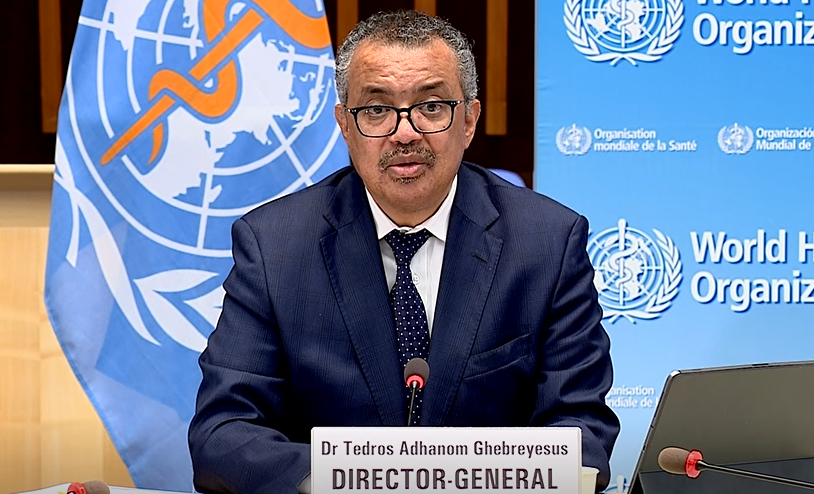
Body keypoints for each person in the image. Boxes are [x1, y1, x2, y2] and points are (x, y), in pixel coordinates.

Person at [188, 9, 619, 494]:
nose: (405, 132)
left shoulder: (546, 242)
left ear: (469, 120)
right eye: (376, 110)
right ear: (345, 126)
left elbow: (581, 430)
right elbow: (222, 435)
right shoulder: (275, 247)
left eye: (431, 106)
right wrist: (356, 481)